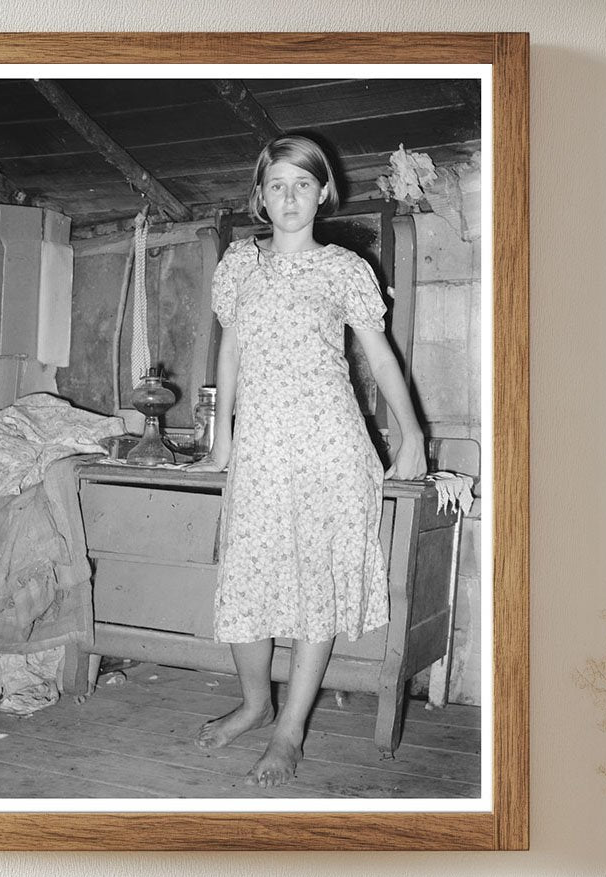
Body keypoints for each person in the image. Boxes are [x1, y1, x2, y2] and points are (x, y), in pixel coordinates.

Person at [186, 135, 427, 788]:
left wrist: (412, 436)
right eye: (276, 185)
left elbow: (380, 359)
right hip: (261, 449)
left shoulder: (346, 269)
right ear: (260, 197)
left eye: (301, 183)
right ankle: (256, 704)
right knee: (247, 579)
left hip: (331, 449)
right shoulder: (240, 262)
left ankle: (290, 730)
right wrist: (221, 437)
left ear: (324, 192)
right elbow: (230, 354)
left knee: (313, 586)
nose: (288, 196)